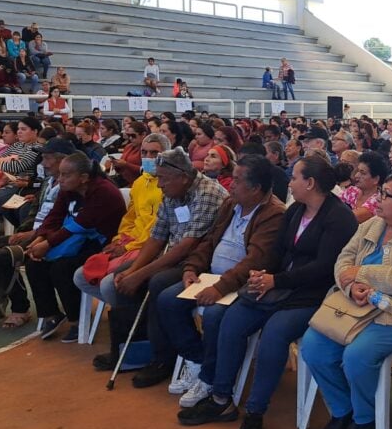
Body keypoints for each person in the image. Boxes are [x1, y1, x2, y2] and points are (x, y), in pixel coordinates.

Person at [176, 155, 358, 429]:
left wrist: (276, 280)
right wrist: (263, 275)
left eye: (296, 177)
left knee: (273, 336)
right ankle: (221, 399)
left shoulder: (339, 217)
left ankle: (255, 414)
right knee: (232, 319)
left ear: (310, 183)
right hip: (278, 286)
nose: (290, 181)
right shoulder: (296, 210)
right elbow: (275, 252)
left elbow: (325, 268)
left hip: (310, 295)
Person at [301, 173, 392, 429]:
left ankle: (365, 420)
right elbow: (343, 259)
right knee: (313, 346)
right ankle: (343, 409)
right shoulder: (373, 224)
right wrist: (352, 288)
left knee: (357, 356)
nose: (378, 199)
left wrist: (362, 274)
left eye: (386, 195)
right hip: (355, 306)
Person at [154, 155, 287, 407]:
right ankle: (197, 359)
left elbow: (255, 261)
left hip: (243, 284)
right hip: (211, 277)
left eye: (236, 181)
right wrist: (191, 268)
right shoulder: (230, 204)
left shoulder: (274, 214)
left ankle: (209, 378)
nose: (230, 185)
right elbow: (209, 242)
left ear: (256, 188)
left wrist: (219, 288)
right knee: (167, 300)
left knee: (215, 315)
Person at [106, 148, 229, 386]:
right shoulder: (172, 190)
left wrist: (141, 273)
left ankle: (163, 358)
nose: (159, 184)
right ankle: (134, 350)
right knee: (122, 278)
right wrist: (132, 272)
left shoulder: (207, 193)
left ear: (183, 176)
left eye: (163, 178)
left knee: (157, 282)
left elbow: (188, 246)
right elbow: (157, 237)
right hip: (172, 255)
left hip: (199, 260)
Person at [0, 137, 75, 327]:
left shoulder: (70, 186)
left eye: (48, 158)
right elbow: (36, 211)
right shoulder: (48, 182)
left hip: (46, 237)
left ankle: (20, 308)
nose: (43, 163)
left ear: (64, 160)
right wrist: (23, 230)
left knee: (4, 256)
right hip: (31, 232)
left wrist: (33, 235)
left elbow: (64, 221)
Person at [77, 133, 167, 366]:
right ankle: (131, 320)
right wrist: (119, 240)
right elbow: (131, 218)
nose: (148, 157)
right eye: (145, 152)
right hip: (129, 242)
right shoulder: (139, 183)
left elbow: (158, 230)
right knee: (82, 276)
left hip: (150, 247)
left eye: (154, 153)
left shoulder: (168, 185)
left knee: (111, 283)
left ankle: (132, 333)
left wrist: (127, 246)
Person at [28, 153, 126, 341]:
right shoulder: (68, 189)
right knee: (35, 262)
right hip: (77, 239)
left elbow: (81, 223)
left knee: (62, 267)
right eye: (60, 174)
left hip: (103, 245)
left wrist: (48, 243)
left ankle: (76, 319)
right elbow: (55, 216)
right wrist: (39, 238)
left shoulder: (104, 191)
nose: (60, 179)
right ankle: (51, 314)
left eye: (66, 175)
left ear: (83, 178)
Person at [339, 150, 388, 223]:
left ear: (376, 179)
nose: (356, 175)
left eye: (363, 173)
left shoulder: (378, 200)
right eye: (358, 171)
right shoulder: (352, 191)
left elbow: (349, 218)